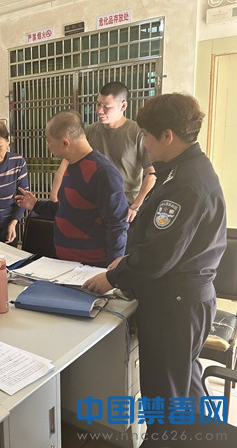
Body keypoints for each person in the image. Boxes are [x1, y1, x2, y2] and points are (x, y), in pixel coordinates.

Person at [83, 94, 226, 423]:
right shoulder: (181, 170)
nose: (144, 144)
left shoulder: (186, 184)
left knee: (165, 399)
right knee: (182, 389)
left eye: (147, 135)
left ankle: (169, 441)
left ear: (167, 136)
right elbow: (163, 242)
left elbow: (159, 257)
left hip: (175, 305)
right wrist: (127, 260)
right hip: (182, 299)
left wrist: (112, 277)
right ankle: (198, 439)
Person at [15, 110, 128, 267]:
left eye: (49, 140)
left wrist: (113, 268)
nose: (47, 146)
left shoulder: (103, 172)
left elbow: (117, 224)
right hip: (65, 263)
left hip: (92, 266)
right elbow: (67, 208)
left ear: (65, 143)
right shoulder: (72, 166)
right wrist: (36, 205)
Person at [50, 82, 155, 222]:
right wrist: (54, 196)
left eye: (106, 106)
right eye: (98, 104)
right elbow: (65, 163)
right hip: (91, 207)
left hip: (123, 209)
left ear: (123, 106)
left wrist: (135, 206)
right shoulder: (89, 132)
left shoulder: (137, 133)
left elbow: (151, 174)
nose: (100, 110)